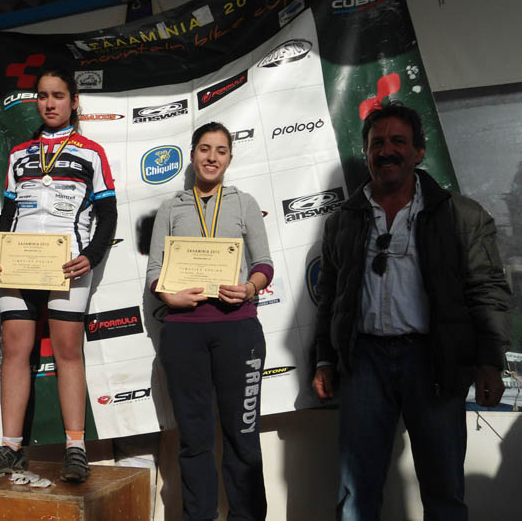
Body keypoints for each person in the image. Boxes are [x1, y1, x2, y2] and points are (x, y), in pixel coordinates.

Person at [311, 102, 511, 520]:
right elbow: (329, 296)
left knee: (443, 488)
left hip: (434, 360)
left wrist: (490, 362)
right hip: (364, 363)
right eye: (377, 143)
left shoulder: (462, 215)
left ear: (419, 151)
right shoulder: (343, 221)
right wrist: (325, 359)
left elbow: (486, 290)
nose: (386, 151)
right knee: (355, 492)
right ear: (366, 153)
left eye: (398, 141)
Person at [0, 68, 117, 483]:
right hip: (18, 264)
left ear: (74, 101)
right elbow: (9, 214)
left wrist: (91, 256)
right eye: (43, 96)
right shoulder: (19, 154)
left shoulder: (91, 152)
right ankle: (10, 447)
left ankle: (75, 448)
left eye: (58, 95)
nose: (50, 103)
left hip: (66, 263)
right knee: (15, 350)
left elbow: (107, 214)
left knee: (68, 351)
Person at [146, 122, 273, 520]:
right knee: (194, 439)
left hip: (238, 329)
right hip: (184, 332)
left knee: (242, 436)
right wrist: (168, 295)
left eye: (220, 150)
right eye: (204, 149)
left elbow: (264, 264)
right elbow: (154, 272)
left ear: (230, 158)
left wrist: (249, 288)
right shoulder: (171, 208)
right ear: (192, 155)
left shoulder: (244, 203)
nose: (212, 157)